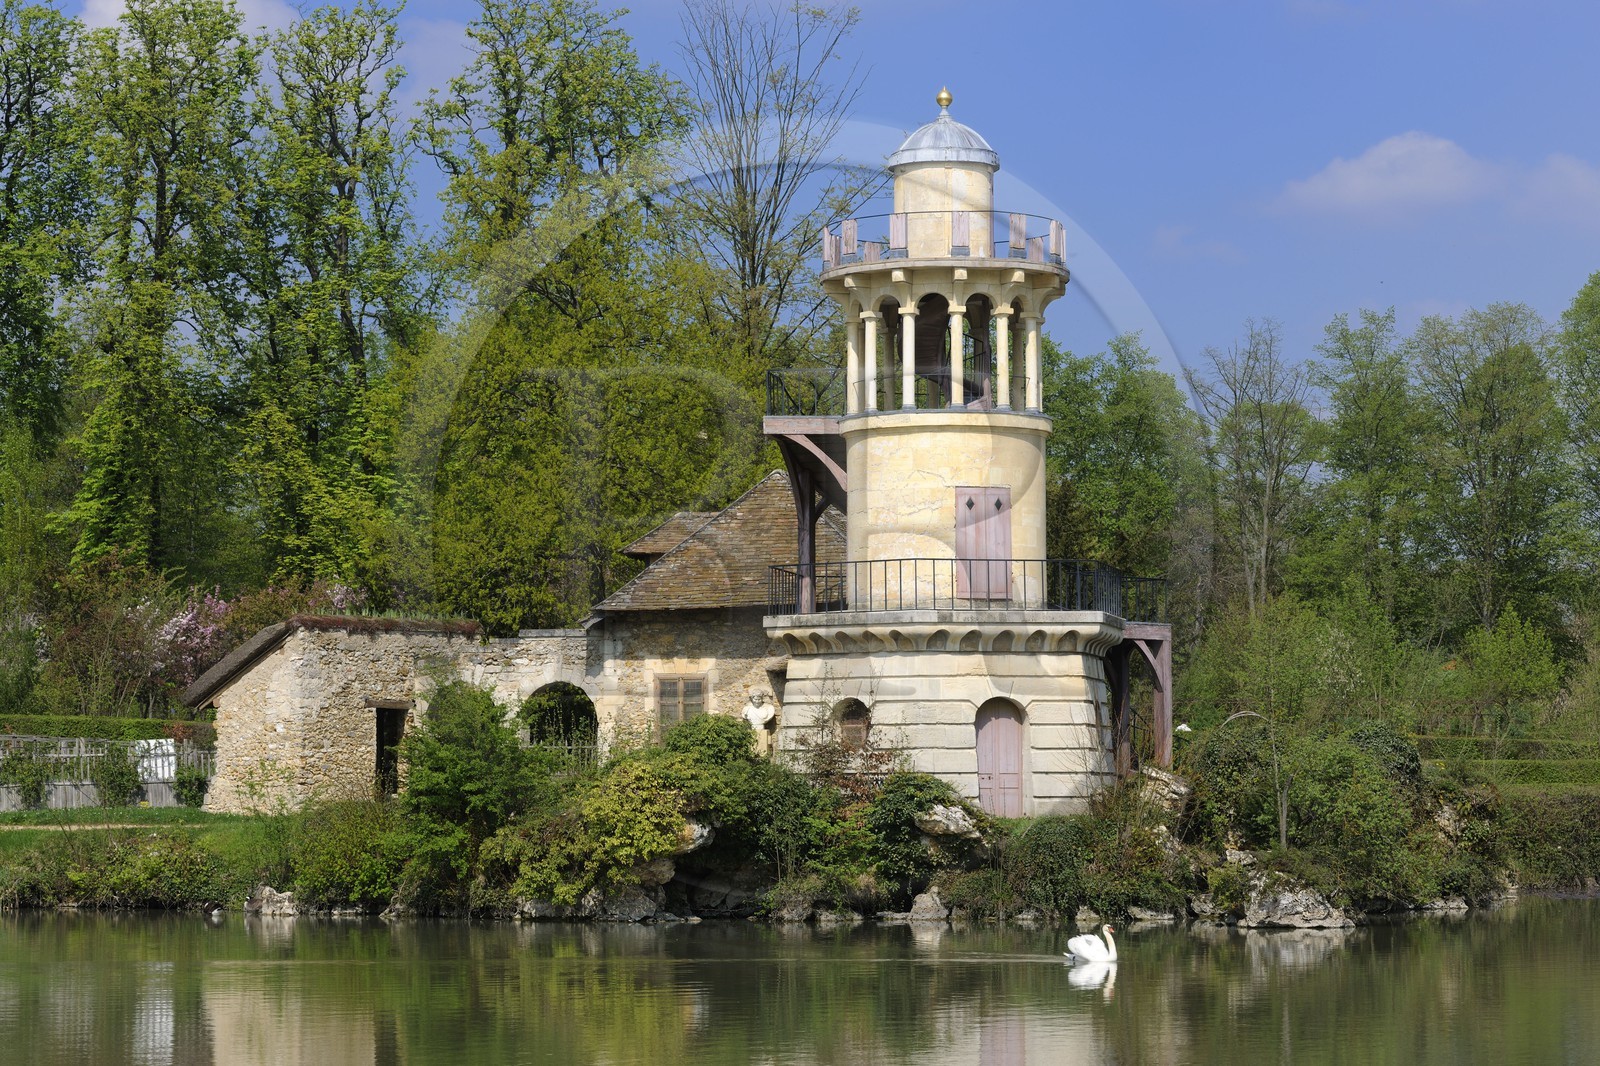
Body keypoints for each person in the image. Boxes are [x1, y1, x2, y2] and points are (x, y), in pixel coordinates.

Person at [741, 691, 777, 756]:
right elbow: (744, 715)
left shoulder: (769, 709)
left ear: (762, 699)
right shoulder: (746, 710)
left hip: (762, 729)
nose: (757, 701)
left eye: (759, 699)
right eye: (755, 699)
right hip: (753, 728)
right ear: (752, 699)